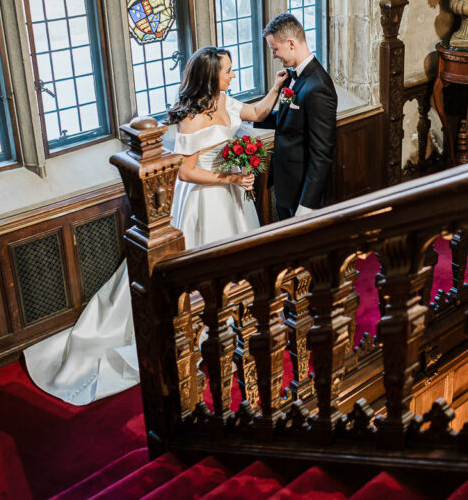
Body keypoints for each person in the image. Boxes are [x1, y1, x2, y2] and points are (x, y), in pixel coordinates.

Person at [23, 47, 287, 405]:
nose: (232, 76)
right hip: (206, 201)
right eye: (226, 71)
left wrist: (275, 87)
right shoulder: (191, 120)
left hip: (234, 198)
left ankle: (234, 320)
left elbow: (256, 112)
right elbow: (186, 171)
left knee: (237, 259)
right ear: (210, 76)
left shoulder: (228, 100)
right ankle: (204, 328)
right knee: (203, 267)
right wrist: (229, 179)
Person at [256, 13, 338, 220]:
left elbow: (322, 154)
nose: (273, 55)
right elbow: (287, 121)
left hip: (301, 192)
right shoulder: (293, 77)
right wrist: (251, 118)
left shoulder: (318, 87)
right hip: (286, 183)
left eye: (275, 49)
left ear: (291, 43)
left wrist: (307, 206)